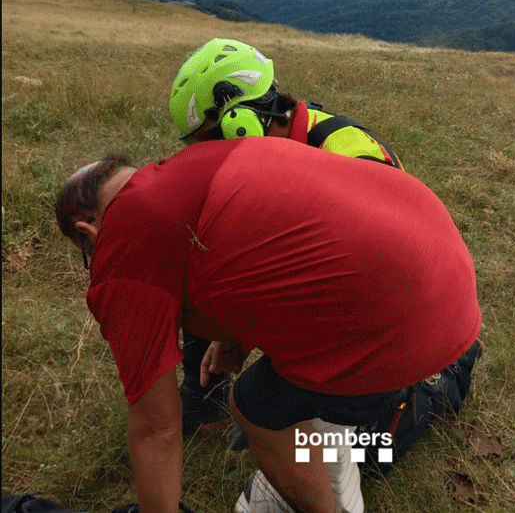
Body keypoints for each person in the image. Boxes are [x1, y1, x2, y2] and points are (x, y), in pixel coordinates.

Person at [55, 139, 482, 513]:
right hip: (444, 266)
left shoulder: (122, 242)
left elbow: (156, 429)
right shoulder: (198, 160)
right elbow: (268, 244)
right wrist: (233, 333)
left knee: (255, 402)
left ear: (87, 230)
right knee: (318, 413)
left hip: (407, 319)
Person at [169, 39, 402, 434]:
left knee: (367, 454)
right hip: (331, 292)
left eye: (208, 144)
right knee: (204, 253)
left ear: (239, 122)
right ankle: (205, 397)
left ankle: (443, 378)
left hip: (378, 312)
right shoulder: (272, 154)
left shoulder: (347, 151)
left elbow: (373, 271)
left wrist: (250, 327)